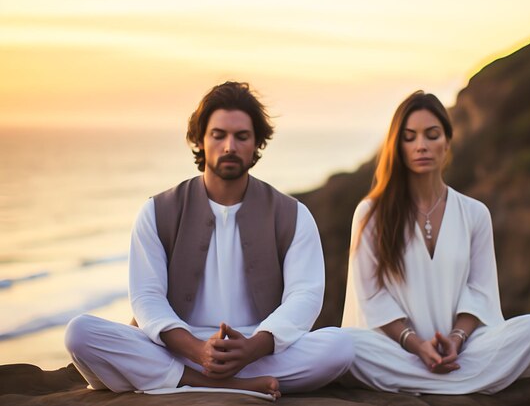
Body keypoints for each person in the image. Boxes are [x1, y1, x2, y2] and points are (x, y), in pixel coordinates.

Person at [65, 81, 354, 399]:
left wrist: (253, 347)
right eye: (219, 135)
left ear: (257, 143)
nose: (229, 146)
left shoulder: (292, 214)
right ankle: (215, 383)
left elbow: (306, 296)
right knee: (80, 333)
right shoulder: (156, 211)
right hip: (178, 348)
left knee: (341, 347)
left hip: (260, 352)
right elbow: (147, 298)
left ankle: (173, 379)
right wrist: (197, 349)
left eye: (241, 136)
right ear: (200, 140)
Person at [341, 90, 530, 395]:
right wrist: (416, 344)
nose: (421, 146)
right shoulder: (371, 213)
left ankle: (431, 380)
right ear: (397, 146)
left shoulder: (475, 213)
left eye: (432, 135)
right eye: (409, 137)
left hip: (462, 350)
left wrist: (455, 340)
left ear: (447, 142)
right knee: (343, 345)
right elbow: (371, 298)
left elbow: (479, 293)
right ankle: (460, 382)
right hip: (397, 349)